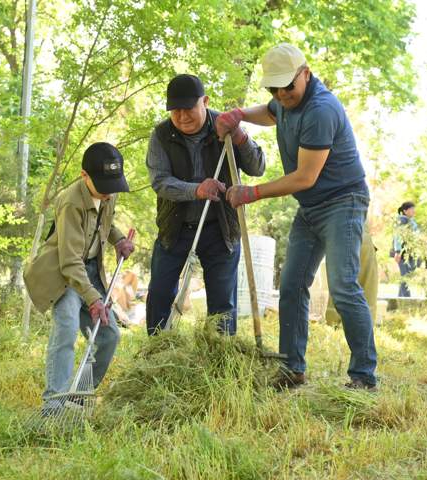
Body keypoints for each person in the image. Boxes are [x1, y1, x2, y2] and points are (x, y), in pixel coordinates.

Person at [217, 43, 377, 391]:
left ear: (305, 73)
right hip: (311, 207)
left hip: (343, 202)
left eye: (288, 86)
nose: (282, 94)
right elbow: (272, 112)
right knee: (290, 286)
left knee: (343, 286)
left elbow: (305, 177)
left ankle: (364, 375)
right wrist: (240, 114)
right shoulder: (285, 99)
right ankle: (292, 370)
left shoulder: (321, 109)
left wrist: (252, 193)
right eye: (274, 88)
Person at [145, 74, 266, 335]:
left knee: (223, 304)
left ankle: (222, 359)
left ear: (205, 102)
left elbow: (258, 168)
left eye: (188, 108)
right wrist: (197, 190)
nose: (182, 116)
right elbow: (160, 181)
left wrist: (239, 135)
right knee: (159, 295)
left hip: (220, 228)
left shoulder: (226, 125)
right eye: (175, 110)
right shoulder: (161, 135)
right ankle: (156, 355)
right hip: (175, 227)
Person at [23, 142, 134, 414]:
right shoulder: (71, 202)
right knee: (67, 329)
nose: (109, 192)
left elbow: (103, 223)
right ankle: (54, 405)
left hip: (91, 272)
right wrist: (94, 299)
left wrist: (118, 240)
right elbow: (70, 261)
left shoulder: (108, 192)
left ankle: (78, 395)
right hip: (65, 274)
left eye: (113, 184)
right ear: (85, 176)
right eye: (104, 185)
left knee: (108, 336)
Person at [392, 201, 419, 298]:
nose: (414, 211)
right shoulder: (401, 220)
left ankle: (399, 299)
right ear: (405, 211)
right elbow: (397, 236)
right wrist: (397, 252)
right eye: (411, 209)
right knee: (405, 276)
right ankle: (408, 299)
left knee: (407, 276)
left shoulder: (412, 221)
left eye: (413, 209)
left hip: (411, 252)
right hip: (402, 253)